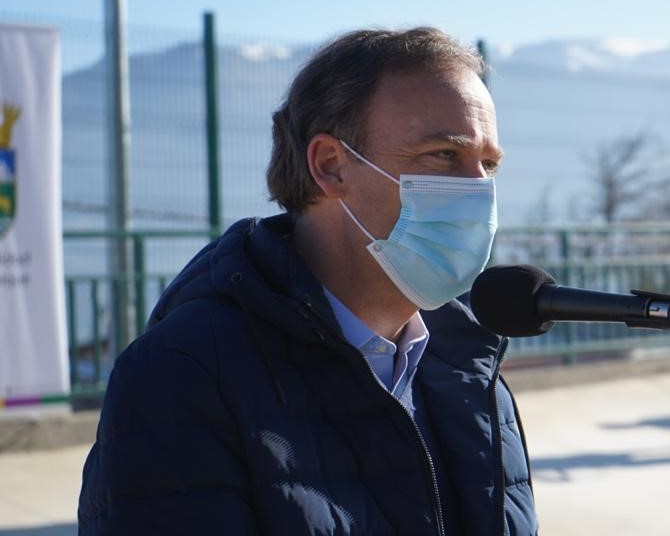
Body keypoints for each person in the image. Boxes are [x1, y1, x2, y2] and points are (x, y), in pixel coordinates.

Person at [78, 27, 539, 535]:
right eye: (444, 155)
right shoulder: (182, 378)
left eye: (489, 164)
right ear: (330, 165)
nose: (479, 191)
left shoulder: (468, 368)